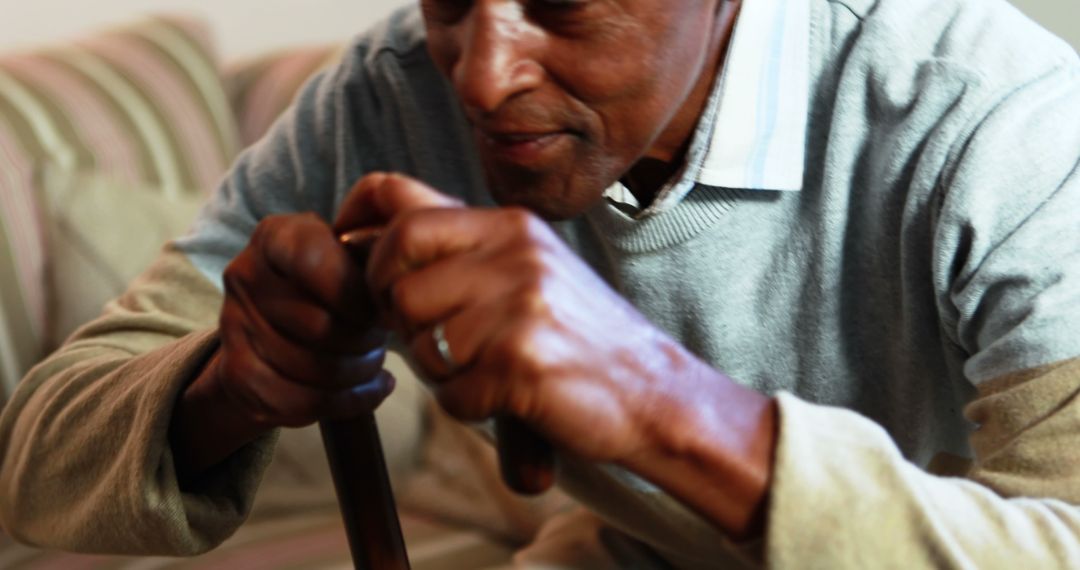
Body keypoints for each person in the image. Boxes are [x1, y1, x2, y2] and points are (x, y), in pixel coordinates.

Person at [1, 0, 1079, 566]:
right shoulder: (384, 101)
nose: (479, 72)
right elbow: (39, 460)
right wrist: (230, 384)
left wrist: (660, 401)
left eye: (562, 0)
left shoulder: (995, 120)